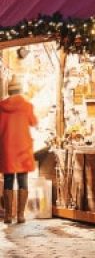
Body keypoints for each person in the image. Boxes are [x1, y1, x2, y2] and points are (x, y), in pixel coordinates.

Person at [0, 77, 38, 224]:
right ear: (20, 91)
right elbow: (33, 122)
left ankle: (8, 216)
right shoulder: (27, 105)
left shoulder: (1, 106)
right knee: (23, 180)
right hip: (23, 148)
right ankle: (21, 215)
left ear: (9, 91)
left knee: (8, 180)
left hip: (7, 148)